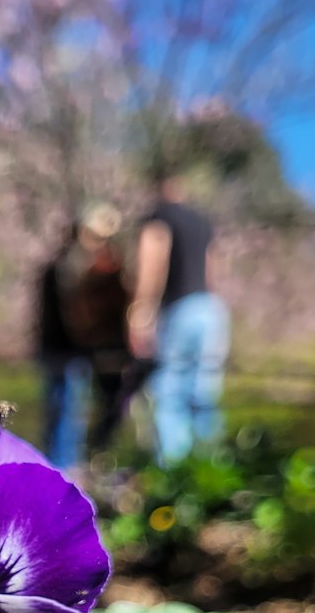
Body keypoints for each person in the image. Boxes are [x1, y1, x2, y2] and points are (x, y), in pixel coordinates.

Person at [127, 171, 230, 465]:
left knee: (168, 393)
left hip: (180, 310)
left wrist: (140, 315)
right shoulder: (203, 221)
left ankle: (173, 473)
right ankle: (210, 470)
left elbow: (152, 264)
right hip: (211, 309)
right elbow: (214, 270)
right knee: (204, 391)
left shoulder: (159, 217)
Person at [35, 204, 129, 472]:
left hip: (60, 352)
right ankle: (61, 470)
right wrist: (90, 340)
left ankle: (58, 466)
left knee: (63, 413)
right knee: (66, 414)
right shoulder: (71, 267)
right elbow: (73, 316)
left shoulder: (62, 264)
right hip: (66, 352)